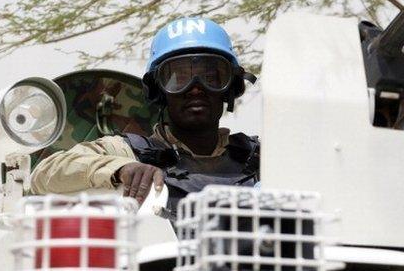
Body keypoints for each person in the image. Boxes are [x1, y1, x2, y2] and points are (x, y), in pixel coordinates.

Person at [30, 17, 258, 216]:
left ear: (230, 88)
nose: (195, 88)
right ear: (158, 91)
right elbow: (43, 174)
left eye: (211, 76)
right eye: (178, 78)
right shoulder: (130, 152)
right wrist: (120, 169)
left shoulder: (260, 158)